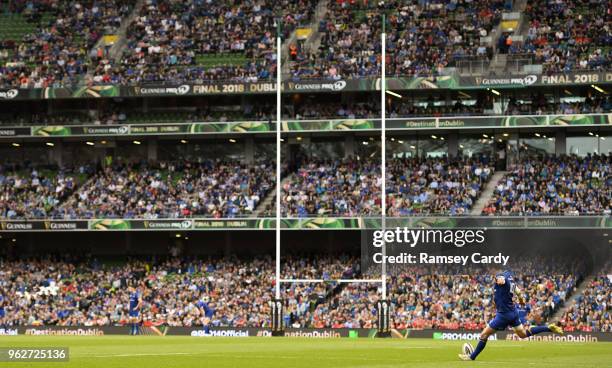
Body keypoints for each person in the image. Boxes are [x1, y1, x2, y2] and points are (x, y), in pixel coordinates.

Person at [459, 270, 564, 361]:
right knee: (523, 334)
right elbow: (520, 295)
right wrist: (522, 302)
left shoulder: (502, 279)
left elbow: (501, 280)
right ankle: (549, 328)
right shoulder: (513, 285)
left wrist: (498, 279)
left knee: (483, 335)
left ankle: (471, 357)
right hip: (513, 312)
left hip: (503, 315)